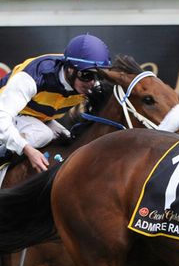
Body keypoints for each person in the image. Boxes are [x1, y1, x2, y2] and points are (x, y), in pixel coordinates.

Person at [0, 34, 111, 173]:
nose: (92, 83)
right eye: (87, 75)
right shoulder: (34, 76)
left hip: (35, 118)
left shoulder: (89, 83)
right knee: (42, 135)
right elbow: (2, 117)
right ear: (70, 69)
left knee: (69, 141)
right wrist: (28, 150)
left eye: (98, 76)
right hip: (5, 115)